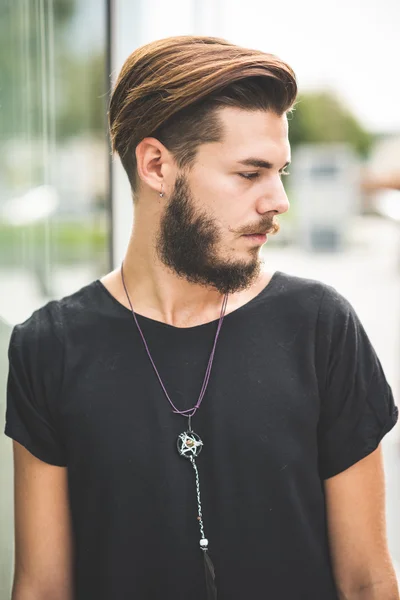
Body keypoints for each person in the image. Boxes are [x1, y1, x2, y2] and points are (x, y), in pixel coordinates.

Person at [4, 35, 399, 600]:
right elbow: (42, 588)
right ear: (157, 165)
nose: (278, 200)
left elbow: (368, 583)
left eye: (280, 172)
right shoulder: (49, 347)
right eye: (249, 173)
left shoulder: (319, 327)